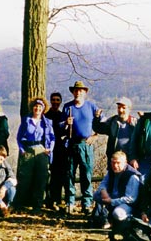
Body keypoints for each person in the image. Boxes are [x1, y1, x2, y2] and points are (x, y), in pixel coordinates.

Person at [60, 81, 100, 214]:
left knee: (86, 175)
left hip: (86, 145)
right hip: (71, 144)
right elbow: (59, 127)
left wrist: (94, 137)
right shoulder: (67, 107)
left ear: (85, 92)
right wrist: (65, 123)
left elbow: (101, 124)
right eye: (76, 91)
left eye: (81, 91)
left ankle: (86, 204)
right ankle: (70, 203)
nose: (78, 93)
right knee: (69, 174)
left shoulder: (91, 107)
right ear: (73, 92)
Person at [16, 97, 55, 212]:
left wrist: (49, 149)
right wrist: (22, 150)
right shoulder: (26, 120)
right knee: (25, 178)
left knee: (41, 178)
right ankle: (21, 204)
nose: (37, 109)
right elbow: (19, 137)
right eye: (36, 106)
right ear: (32, 107)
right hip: (28, 150)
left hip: (41, 150)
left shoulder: (46, 122)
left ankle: (37, 205)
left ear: (43, 109)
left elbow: (52, 138)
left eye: (40, 107)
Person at [93, 151, 141, 232]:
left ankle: (130, 220)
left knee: (117, 214)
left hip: (128, 205)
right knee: (96, 195)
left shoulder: (132, 176)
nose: (115, 165)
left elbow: (130, 199)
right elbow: (102, 185)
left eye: (118, 163)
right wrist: (103, 191)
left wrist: (111, 201)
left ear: (125, 162)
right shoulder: (111, 172)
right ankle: (106, 218)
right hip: (112, 199)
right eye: (113, 163)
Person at [93, 96, 138, 168]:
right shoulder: (112, 121)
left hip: (130, 159)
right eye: (119, 107)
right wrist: (97, 118)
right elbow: (99, 128)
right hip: (114, 160)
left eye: (123, 108)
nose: (120, 110)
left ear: (129, 109)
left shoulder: (135, 123)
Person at [45, 92, 67, 211]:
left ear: (60, 102)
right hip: (47, 148)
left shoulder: (63, 116)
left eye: (57, 100)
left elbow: (64, 132)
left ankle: (57, 200)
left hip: (59, 149)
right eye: (53, 100)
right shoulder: (46, 115)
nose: (55, 102)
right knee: (47, 176)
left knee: (58, 176)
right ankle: (48, 200)